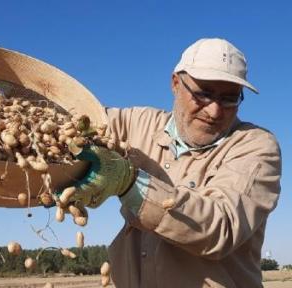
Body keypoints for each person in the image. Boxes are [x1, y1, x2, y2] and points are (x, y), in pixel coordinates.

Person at [67, 38, 281, 288]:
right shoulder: (139, 124)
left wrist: (129, 184)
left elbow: (221, 226)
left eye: (229, 99)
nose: (214, 111)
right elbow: (79, 120)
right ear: (176, 83)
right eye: (204, 94)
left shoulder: (255, 146)